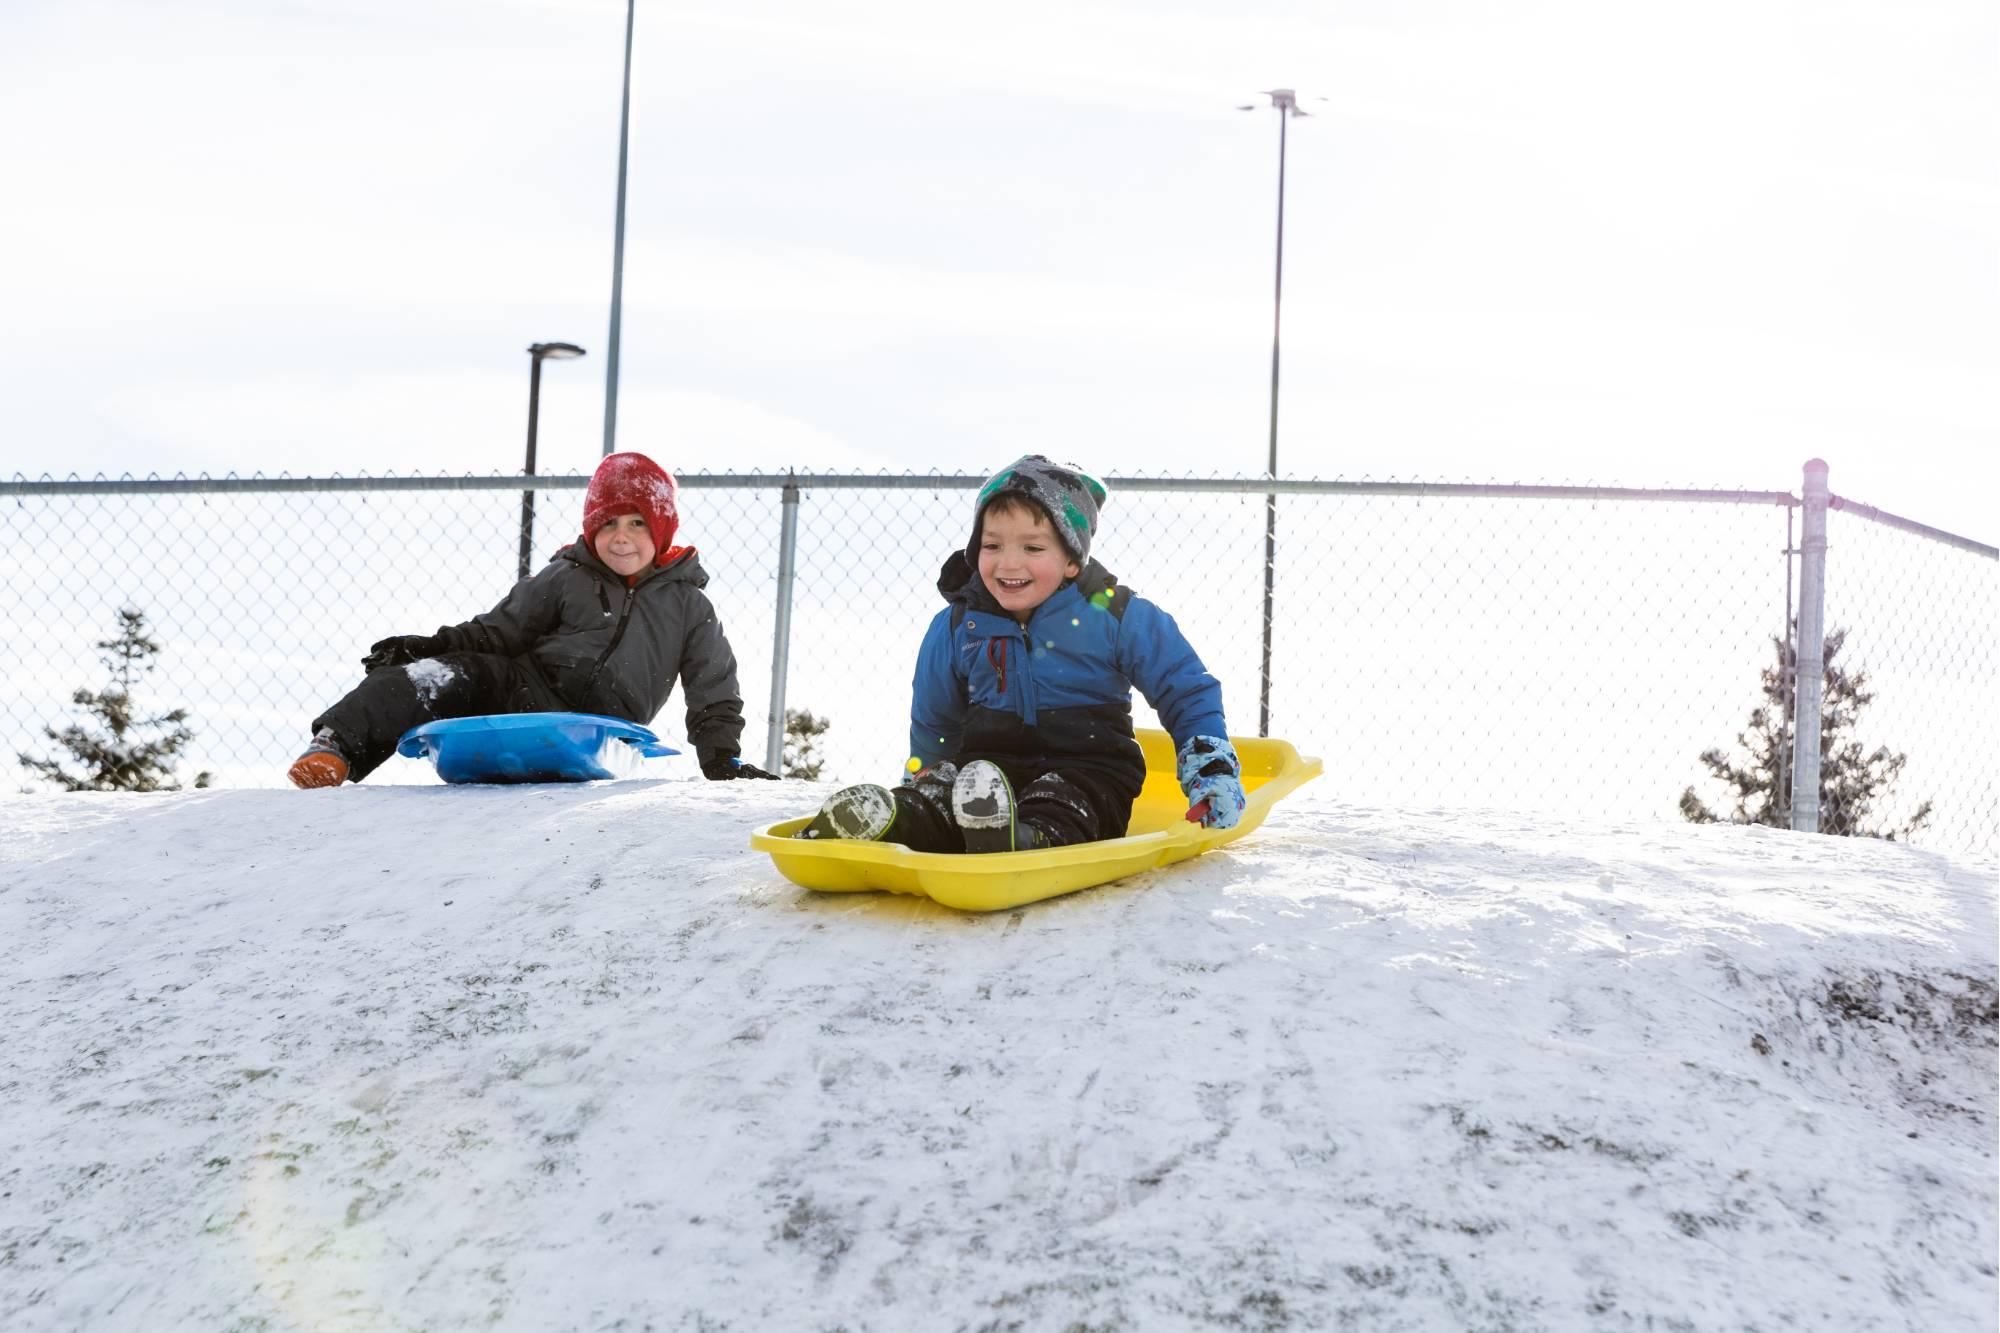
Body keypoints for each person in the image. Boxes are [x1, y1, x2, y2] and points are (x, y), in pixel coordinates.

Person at [800, 454, 1245, 853]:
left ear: (1072, 560)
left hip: (1090, 768)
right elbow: (935, 721)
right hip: (988, 772)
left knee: (1066, 798)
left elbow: (1185, 691)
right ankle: (895, 823)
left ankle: (1022, 839)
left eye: (1032, 548)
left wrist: (1210, 769)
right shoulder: (958, 625)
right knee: (948, 790)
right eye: (992, 546)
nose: (1008, 564)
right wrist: (924, 776)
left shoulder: (1118, 615)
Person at [288, 451, 778, 787]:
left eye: (636, 524)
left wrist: (720, 761)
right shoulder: (567, 575)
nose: (621, 538)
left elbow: (713, 689)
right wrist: (426, 648)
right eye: (608, 524)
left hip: (600, 724)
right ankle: (333, 748)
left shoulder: (688, 605)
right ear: (591, 529)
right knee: (433, 677)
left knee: (449, 672)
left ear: (661, 529)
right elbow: (497, 631)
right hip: (523, 691)